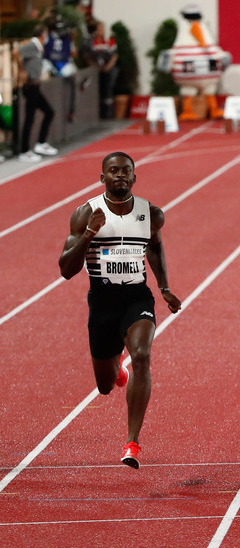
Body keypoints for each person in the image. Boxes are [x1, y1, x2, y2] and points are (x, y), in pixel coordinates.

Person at [58, 151, 182, 469]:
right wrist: (88, 234)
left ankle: (132, 442)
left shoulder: (150, 213)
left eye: (126, 171)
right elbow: (66, 270)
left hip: (137, 298)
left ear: (134, 177)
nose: (120, 176)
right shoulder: (85, 213)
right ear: (103, 178)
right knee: (104, 385)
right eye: (113, 171)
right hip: (102, 302)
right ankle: (117, 373)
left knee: (141, 355)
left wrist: (164, 287)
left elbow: (154, 247)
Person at [16, 24, 58, 163]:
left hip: (36, 86)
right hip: (31, 86)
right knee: (30, 118)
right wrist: (22, 70)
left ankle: (41, 143)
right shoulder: (33, 45)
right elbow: (16, 53)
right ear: (43, 35)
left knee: (49, 112)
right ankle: (24, 151)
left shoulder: (38, 48)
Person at [84, 21, 119, 119]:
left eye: (102, 28)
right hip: (96, 69)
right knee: (97, 90)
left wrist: (108, 66)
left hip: (108, 69)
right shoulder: (91, 42)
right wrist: (95, 66)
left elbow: (114, 55)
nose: (101, 30)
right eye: (99, 28)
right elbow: (88, 57)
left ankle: (108, 113)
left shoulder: (109, 41)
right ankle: (97, 113)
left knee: (108, 89)